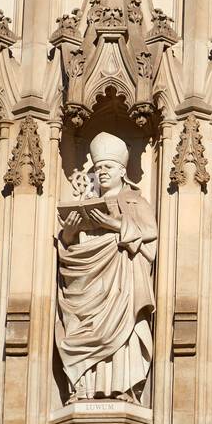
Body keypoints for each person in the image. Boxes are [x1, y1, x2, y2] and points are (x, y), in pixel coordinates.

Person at [55, 132, 157, 403]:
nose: (102, 172)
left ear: (122, 171)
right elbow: (68, 250)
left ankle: (122, 387)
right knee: (80, 327)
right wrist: (69, 233)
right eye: (98, 168)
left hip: (121, 287)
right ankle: (85, 388)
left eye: (108, 167)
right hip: (88, 285)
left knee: (122, 331)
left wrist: (114, 225)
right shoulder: (85, 202)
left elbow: (150, 241)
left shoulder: (135, 202)